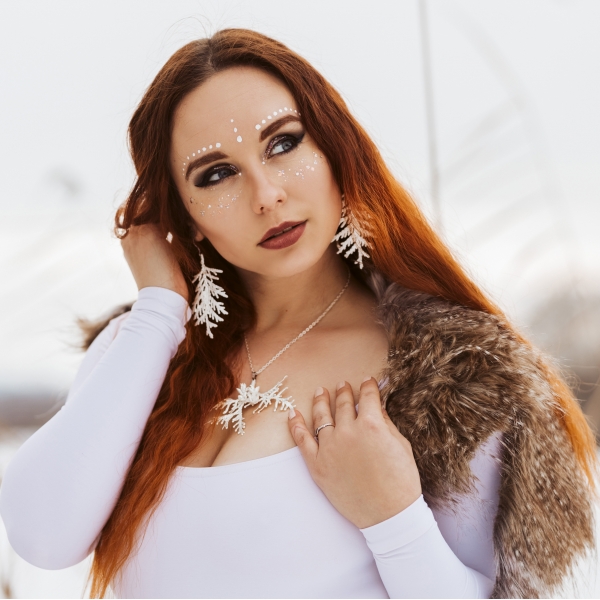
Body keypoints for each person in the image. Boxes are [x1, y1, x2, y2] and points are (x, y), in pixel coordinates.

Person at [0, 29, 596, 599]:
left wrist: (394, 518)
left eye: (283, 143)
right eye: (217, 174)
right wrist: (158, 309)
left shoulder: (454, 375)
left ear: (335, 149)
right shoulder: (142, 349)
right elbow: (43, 537)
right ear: (184, 215)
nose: (267, 195)